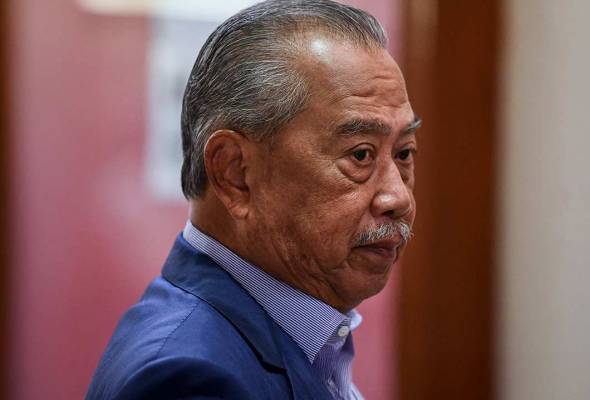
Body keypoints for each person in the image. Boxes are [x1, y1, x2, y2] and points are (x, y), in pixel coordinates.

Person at [86, 0, 421, 399]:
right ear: (235, 174)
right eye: (360, 155)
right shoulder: (189, 380)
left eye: (404, 153)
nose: (398, 197)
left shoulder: (307, 335)